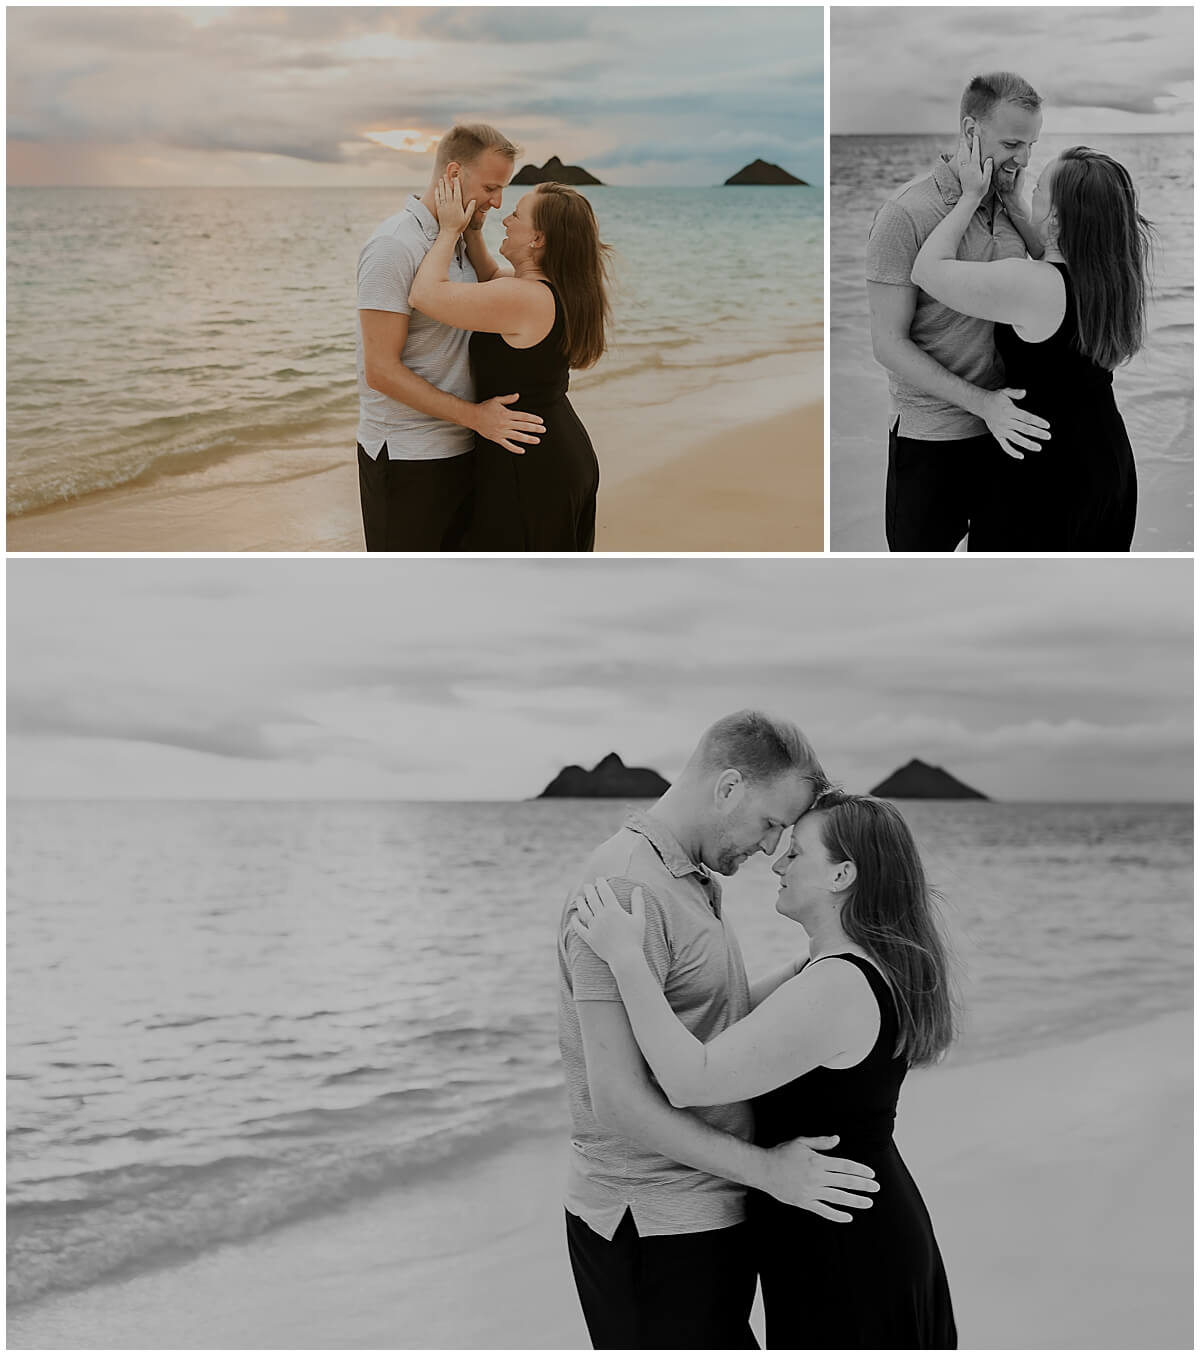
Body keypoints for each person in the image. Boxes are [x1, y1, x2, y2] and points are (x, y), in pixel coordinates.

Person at [574, 791, 959, 1350]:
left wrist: (627, 959)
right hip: (848, 1223)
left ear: (842, 875)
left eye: (797, 854)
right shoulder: (838, 969)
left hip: (845, 1246)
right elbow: (723, 1030)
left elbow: (689, 1078)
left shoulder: (838, 985)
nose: (776, 862)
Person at [556, 712, 880, 1351]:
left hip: (708, 1209)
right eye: (770, 824)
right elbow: (615, 1100)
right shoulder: (626, 888)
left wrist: (818, 963)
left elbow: (707, 1024)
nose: (770, 849)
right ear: (728, 788)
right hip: (651, 1221)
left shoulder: (691, 875)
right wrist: (770, 1173)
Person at [911, 138, 1151, 550]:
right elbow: (1049, 249)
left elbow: (927, 271)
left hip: (1046, 469)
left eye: (1038, 187)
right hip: (1108, 461)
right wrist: (1017, 202)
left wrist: (970, 197)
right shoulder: (1112, 278)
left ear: (1057, 219)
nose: (1030, 188)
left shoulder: (1033, 284)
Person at [866, 72, 1052, 551]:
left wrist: (1013, 202)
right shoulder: (905, 214)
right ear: (971, 132)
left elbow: (1051, 275)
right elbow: (888, 344)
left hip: (1009, 433)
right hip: (933, 438)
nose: (1024, 159)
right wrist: (981, 404)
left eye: (1032, 144)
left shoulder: (1012, 204)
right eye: (1012, 143)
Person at [355, 124, 546, 551]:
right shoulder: (393, 246)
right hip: (409, 456)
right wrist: (476, 416)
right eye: (492, 187)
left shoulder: (457, 239)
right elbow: (381, 371)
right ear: (454, 173)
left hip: (464, 448)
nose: (498, 203)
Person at [410, 175, 609, 551]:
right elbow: (489, 275)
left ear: (538, 239)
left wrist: (450, 230)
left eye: (517, 215)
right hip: (556, 452)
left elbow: (424, 294)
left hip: (531, 465)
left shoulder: (521, 298)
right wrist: (473, 230)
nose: (506, 219)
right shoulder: (554, 288)